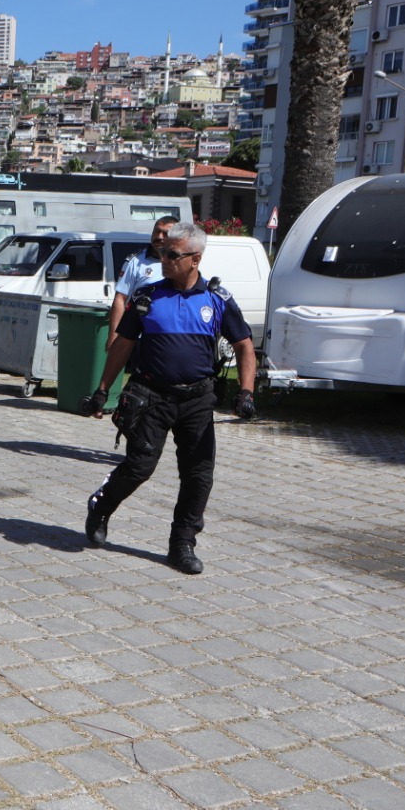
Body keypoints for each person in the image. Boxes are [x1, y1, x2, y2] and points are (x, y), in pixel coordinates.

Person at [79, 221, 257, 575]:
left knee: (198, 475)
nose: (163, 258)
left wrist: (246, 392)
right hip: (150, 396)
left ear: (195, 259)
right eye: (162, 251)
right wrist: (102, 390)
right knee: (140, 466)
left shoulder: (217, 300)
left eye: (172, 254)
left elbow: (244, 346)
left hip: (197, 400)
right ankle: (101, 507)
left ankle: (182, 543)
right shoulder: (147, 297)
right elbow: (122, 346)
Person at [106, 215, 177, 350]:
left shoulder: (182, 263)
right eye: (157, 231)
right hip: (140, 336)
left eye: (166, 233)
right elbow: (120, 299)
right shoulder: (136, 261)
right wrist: (113, 337)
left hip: (171, 335)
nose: (160, 237)